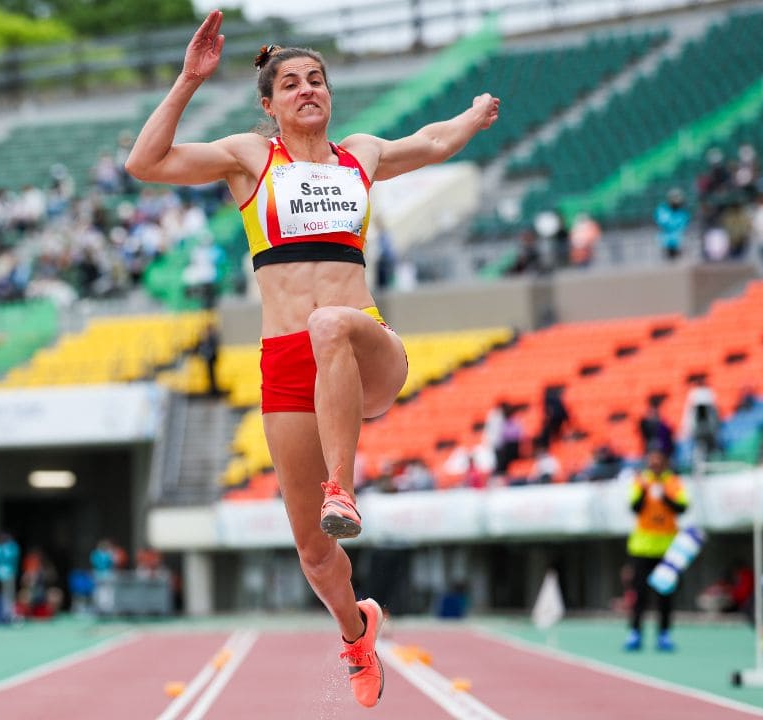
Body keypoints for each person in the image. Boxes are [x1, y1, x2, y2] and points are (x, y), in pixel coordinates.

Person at [125, 10, 499, 708]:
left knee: (329, 322)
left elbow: (433, 141)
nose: (307, 89)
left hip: (364, 341)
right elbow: (144, 163)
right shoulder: (250, 158)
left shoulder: (361, 154)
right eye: (291, 83)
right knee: (313, 553)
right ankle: (357, 633)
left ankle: (341, 489)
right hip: (287, 361)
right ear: (269, 105)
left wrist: (474, 115)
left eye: (317, 79)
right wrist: (189, 80)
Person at [623, 449, 690, 652]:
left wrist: (664, 497)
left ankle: (664, 634)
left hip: (667, 549)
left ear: (665, 462)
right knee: (640, 594)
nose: (655, 465)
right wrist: (645, 491)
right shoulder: (640, 481)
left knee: (665, 594)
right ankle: (635, 633)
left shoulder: (674, 482)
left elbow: (682, 508)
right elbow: (634, 508)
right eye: (651, 461)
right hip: (642, 548)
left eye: (658, 461)